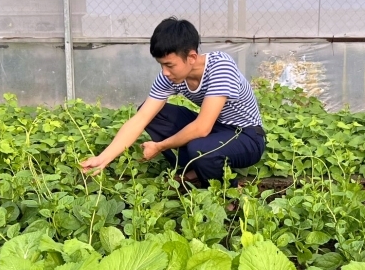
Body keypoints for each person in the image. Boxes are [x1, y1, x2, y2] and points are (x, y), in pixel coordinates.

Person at [79, 17, 266, 185]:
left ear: (191, 57)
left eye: (169, 65)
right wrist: (103, 158)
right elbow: (141, 119)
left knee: (200, 148)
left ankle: (230, 195)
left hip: (246, 136)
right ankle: (195, 168)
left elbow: (202, 128)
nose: (165, 72)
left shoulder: (220, 67)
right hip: (216, 129)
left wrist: (160, 146)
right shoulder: (169, 77)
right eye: (161, 65)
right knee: (154, 114)